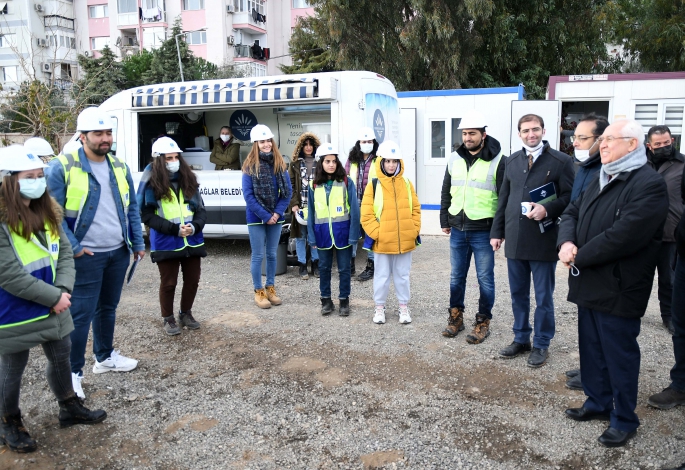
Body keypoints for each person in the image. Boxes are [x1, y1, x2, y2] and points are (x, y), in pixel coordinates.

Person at [558, 119, 668, 447]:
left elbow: (625, 236)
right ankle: (598, 402)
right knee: (592, 349)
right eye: (601, 140)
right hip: (589, 281)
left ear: (632, 144)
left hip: (620, 286)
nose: (601, 145)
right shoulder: (601, 176)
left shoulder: (647, 183)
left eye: (609, 140)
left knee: (618, 355)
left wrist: (580, 255)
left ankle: (624, 418)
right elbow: (571, 213)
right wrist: (565, 243)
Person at [0, 146, 106, 454]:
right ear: (9, 181)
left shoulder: (48, 211)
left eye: (39, 176)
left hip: (54, 302)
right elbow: (8, 275)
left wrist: (62, 291)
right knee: (12, 367)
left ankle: (68, 407)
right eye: (29, 177)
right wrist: (54, 297)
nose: (37, 182)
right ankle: (9, 422)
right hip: (15, 309)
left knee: (61, 354)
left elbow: (64, 257)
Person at [47, 107, 145, 400]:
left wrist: (137, 242)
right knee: (80, 315)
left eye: (108, 133)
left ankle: (104, 357)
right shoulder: (62, 166)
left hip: (117, 252)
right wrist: (75, 250)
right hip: (85, 257)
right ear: (82, 136)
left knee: (108, 309)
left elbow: (130, 208)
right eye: (98, 134)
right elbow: (52, 216)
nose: (105, 139)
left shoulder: (118, 166)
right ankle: (73, 373)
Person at [490, 114, 575, 368]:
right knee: (518, 295)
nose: (531, 134)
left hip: (543, 240)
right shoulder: (512, 161)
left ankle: (541, 343)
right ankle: (521, 338)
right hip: (516, 240)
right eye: (526, 130)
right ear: (519, 134)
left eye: (535, 129)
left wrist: (547, 210)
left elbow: (571, 197)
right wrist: (497, 232)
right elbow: (503, 199)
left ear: (543, 130)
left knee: (543, 297)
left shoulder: (561, 161)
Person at [440, 110, 506, 344]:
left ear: (483, 135)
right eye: (465, 133)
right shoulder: (454, 158)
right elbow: (447, 190)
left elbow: (503, 198)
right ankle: (456, 318)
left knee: (485, 279)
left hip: (484, 231)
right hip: (458, 228)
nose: (468, 138)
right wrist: (444, 220)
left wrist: (499, 231)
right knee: (456, 278)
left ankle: (482, 322)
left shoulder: (499, 160)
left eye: (472, 133)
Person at [140, 137, 207, 336]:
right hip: (167, 241)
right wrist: (174, 229)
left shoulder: (189, 179)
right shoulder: (151, 183)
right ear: (158, 160)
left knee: (193, 280)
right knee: (169, 283)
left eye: (176, 157)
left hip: (192, 239)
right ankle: (168, 318)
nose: (173, 161)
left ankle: (185, 313)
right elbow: (147, 215)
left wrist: (194, 227)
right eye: (168, 158)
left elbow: (202, 211)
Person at [565, 113, 609, 391]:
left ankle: (597, 375)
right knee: (586, 320)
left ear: (601, 140)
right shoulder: (583, 167)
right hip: (578, 253)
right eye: (575, 137)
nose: (576, 143)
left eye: (583, 138)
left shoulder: (603, 171)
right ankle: (588, 368)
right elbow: (573, 207)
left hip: (594, 256)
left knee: (600, 321)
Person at [361, 140, 421, 325]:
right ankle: (380, 308)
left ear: (399, 163)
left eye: (394, 161)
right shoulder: (374, 185)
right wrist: (378, 233)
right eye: (387, 161)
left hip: (405, 240)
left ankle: (403, 307)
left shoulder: (407, 183)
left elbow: (416, 210)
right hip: (382, 242)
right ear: (381, 162)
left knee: (402, 276)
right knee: (381, 276)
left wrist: (413, 230)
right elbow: (366, 214)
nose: (391, 164)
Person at [647, 147, 685, 412]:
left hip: (673, 239)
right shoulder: (646, 165)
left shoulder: (680, 164)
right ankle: (681, 385)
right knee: (682, 326)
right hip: (679, 247)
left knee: (668, 282)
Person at [242, 124, 292, 309]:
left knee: (272, 254)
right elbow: (248, 196)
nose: (266, 144)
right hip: (256, 217)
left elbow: (287, 193)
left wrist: (277, 213)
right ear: (256, 143)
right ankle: (259, 292)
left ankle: (270, 288)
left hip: (275, 216)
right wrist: (265, 215)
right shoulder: (249, 166)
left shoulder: (280, 164)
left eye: (268, 140)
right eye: (262, 141)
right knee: (258, 255)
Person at [307, 143, 360, 316]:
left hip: (342, 234)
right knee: (324, 268)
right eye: (327, 161)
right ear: (321, 163)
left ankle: (344, 301)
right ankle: (326, 300)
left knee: (344, 269)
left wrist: (353, 235)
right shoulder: (313, 185)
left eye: (334, 161)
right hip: (322, 235)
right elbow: (311, 213)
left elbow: (354, 210)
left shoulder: (346, 182)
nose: (331, 164)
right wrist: (311, 237)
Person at [645, 125, 684, 335]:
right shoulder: (640, 164)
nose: (662, 147)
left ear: (672, 142)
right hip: (644, 233)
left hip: (672, 231)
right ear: (649, 145)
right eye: (658, 144)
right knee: (640, 275)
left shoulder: (682, 164)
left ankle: (668, 316)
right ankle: (634, 311)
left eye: (666, 143)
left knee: (669, 279)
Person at [345, 127, 379, 281]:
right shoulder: (352, 159)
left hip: (372, 204)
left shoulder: (379, 159)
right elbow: (345, 179)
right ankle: (350, 264)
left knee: (370, 234)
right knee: (352, 234)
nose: (367, 144)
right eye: (364, 141)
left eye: (369, 141)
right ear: (359, 143)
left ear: (374, 142)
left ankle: (371, 266)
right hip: (353, 202)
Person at [288, 132, 321, 279]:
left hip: (317, 207)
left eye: (311, 144)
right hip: (301, 207)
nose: (308, 147)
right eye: (305, 144)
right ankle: (302, 265)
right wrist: (294, 204)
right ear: (301, 147)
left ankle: (315, 264)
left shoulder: (321, 162)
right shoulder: (295, 164)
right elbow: (291, 186)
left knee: (315, 237)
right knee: (301, 237)